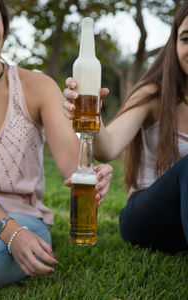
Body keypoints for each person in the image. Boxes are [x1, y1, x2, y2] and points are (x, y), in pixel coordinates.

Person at [0, 0, 113, 287]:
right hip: (9, 228)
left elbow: (73, 163)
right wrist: (10, 234)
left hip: (24, 218)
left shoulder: (38, 87)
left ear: (4, 23)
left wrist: (93, 173)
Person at [63, 1, 188, 254]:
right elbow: (108, 148)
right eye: (186, 38)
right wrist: (90, 110)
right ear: (174, 45)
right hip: (147, 219)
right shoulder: (154, 93)